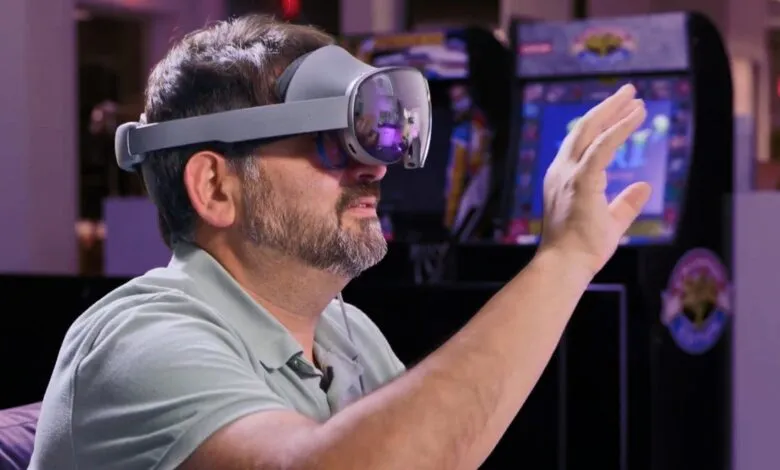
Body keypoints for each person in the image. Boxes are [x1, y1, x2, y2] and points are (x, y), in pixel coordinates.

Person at [29, 14, 651, 470]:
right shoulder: (138, 341)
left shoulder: (345, 336)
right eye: (333, 141)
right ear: (216, 187)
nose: (375, 168)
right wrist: (564, 260)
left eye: (376, 138)